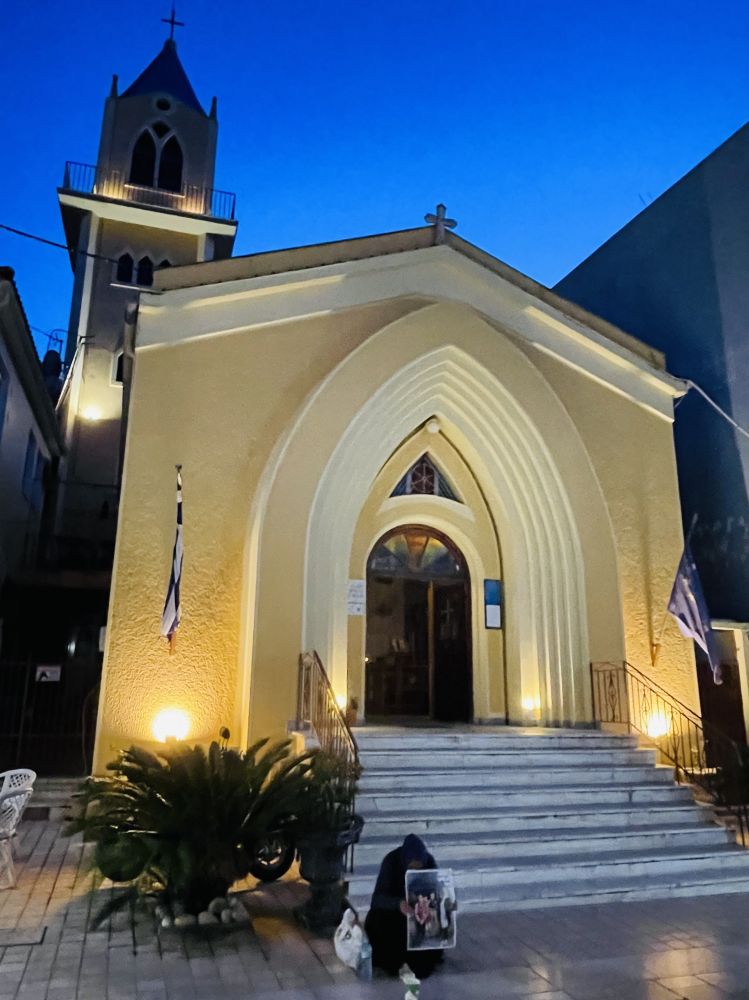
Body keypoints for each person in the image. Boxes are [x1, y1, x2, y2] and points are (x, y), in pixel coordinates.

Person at [364, 834, 443, 978]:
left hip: (417, 916)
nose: (415, 872)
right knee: (381, 924)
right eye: (412, 868)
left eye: (419, 869)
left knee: (423, 964)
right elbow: (377, 900)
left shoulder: (429, 862)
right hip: (394, 916)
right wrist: (398, 904)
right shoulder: (391, 862)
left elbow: (435, 892)